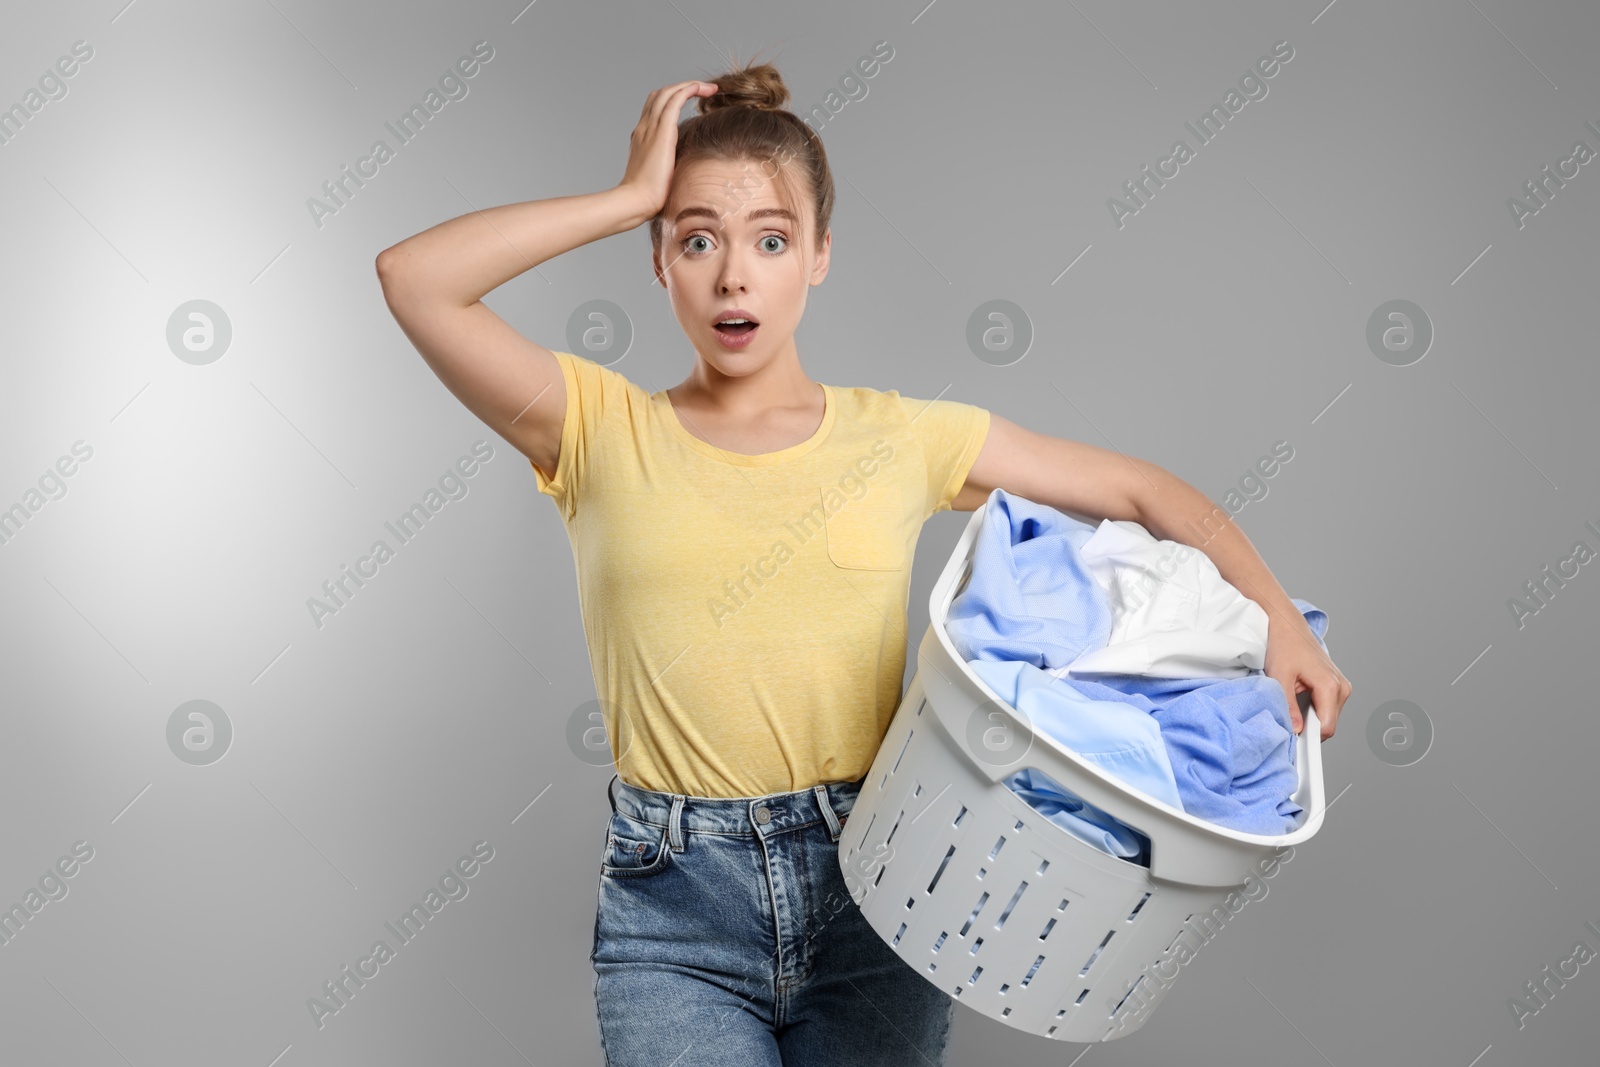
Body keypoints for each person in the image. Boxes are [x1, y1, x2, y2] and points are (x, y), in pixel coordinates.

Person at [376, 56, 1351, 1067]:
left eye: (770, 239)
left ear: (820, 255)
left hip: (879, 883)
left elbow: (1144, 493)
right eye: (695, 237)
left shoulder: (900, 438)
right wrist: (627, 195)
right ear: (659, 259)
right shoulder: (595, 429)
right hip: (675, 912)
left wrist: (1277, 616)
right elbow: (415, 278)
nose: (732, 275)